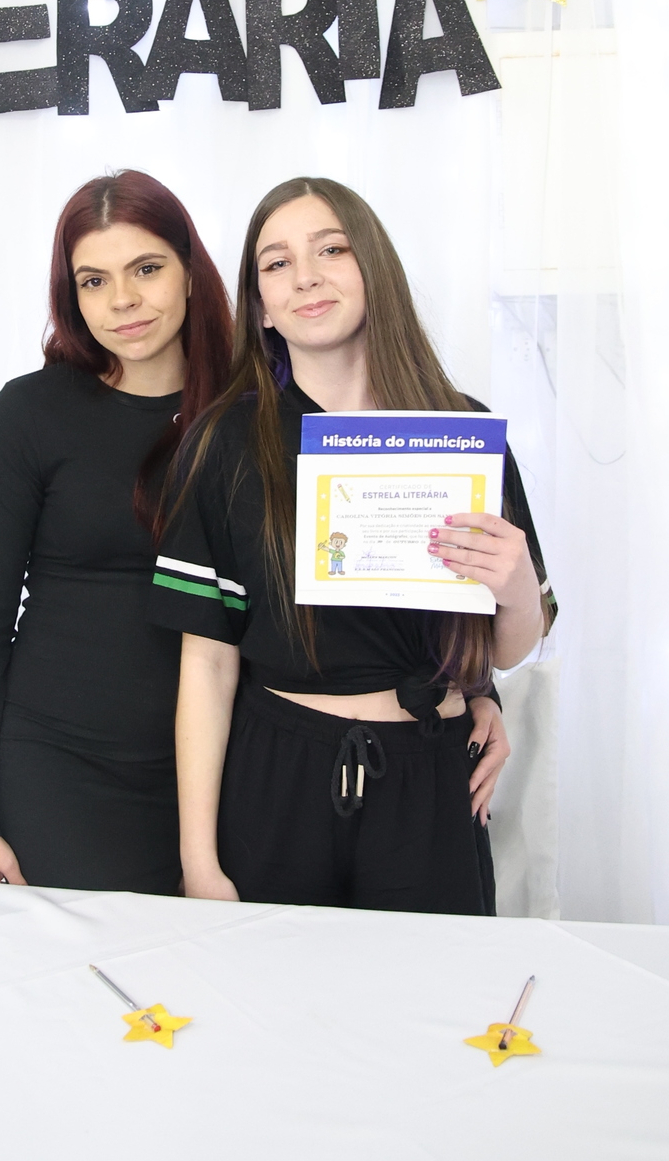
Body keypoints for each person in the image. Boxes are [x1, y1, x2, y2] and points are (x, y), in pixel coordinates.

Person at [152, 176, 554, 915]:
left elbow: (503, 650)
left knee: (436, 986)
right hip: (277, 778)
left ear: (374, 267)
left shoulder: (462, 434)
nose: (305, 276)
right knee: (271, 985)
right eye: (277, 263)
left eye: (331, 249)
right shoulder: (225, 443)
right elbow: (206, 663)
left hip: (432, 777)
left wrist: (520, 589)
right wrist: (198, 859)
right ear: (261, 306)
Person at [0, 170, 233, 893]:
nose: (122, 300)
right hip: (59, 770)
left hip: (223, 772)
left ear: (190, 272)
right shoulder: (29, 415)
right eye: (94, 281)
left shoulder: (249, 413)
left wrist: (474, 690)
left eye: (146, 269)